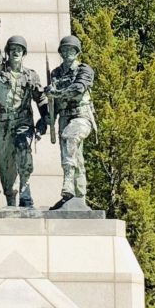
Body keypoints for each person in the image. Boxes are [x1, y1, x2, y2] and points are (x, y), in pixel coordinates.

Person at [0, 12, 44, 208]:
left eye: (19, 49)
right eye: (13, 49)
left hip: (23, 122)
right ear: (8, 52)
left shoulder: (31, 76)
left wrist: (45, 119)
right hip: (3, 123)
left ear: (24, 53)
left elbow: (41, 99)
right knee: (6, 165)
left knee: (23, 148)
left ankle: (25, 192)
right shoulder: (0, 71)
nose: (16, 52)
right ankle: (11, 198)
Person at [42, 32, 95, 207]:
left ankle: (68, 183)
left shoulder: (84, 70)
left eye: (71, 50)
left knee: (70, 137)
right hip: (64, 118)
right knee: (74, 155)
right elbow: (54, 103)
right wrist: (47, 117)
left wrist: (56, 93)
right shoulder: (56, 73)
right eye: (64, 50)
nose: (67, 53)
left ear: (77, 52)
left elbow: (78, 89)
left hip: (81, 115)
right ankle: (80, 196)